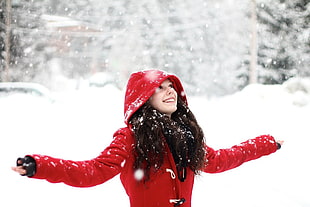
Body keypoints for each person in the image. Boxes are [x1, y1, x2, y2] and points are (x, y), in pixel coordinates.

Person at [12, 69, 283, 207]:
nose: (170, 92)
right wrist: (40, 165)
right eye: (159, 88)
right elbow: (92, 172)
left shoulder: (186, 136)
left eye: (171, 87)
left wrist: (266, 143)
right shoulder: (130, 138)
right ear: (143, 98)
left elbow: (220, 159)